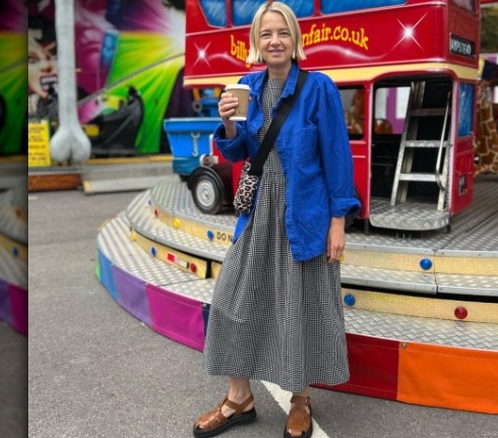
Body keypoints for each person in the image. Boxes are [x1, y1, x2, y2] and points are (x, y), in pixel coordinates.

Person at [192, 2, 360, 438]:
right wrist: (227, 125)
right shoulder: (247, 85)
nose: (274, 41)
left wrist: (338, 222)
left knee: (297, 309)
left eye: (282, 32)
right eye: (266, 34)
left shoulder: (319, 88)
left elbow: (337, 156)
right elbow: (240, 149)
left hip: (305, 216)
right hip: (258, 214)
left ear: (295, 38)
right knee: (230, 301)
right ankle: (238, 398)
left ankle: (300, 399)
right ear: (256, 41)